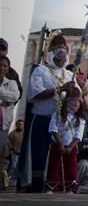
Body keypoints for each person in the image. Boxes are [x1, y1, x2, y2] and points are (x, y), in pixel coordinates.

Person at [21, 32, 76, 192]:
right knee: (38, 155)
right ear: (51, 52)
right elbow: (34, 95)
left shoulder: (70, 75)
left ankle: (54, 186)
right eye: (58, 48)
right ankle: (34, 187)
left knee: (57, 157)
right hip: (42, 120)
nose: (61, 51)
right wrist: (60, 89)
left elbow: (78, 101)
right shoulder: (41, 71)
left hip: (61, 124)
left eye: (64, 48)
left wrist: (79, 93)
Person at [47, 92, 86, 193]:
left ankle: (69, 187)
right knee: (54, 166)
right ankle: (52, 186)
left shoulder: (80, 119)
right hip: (57, 144)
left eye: (78, 102)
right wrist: (60, 144)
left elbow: (78, 135)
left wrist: (70, 147)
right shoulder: (58, 114)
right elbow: (53, 128)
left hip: (71, 147)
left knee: (70, 168)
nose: (76, 103)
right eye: (73, 100)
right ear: (67, 102)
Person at [0, 55, 20, 188]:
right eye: (0, 65)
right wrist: (3, 100)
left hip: (3, 123)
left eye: (5, 66)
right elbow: (7, 98)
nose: (2, 68)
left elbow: (14, 96)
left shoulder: (11, 83)